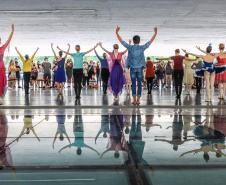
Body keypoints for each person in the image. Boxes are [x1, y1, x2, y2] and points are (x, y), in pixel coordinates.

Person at [117, 26, 158, 105]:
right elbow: (150, 41)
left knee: (133, 84)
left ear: (133, 41)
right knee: (139, 84)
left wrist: (117, 33)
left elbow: (121, 41)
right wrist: (155, 33)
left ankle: (134, 100)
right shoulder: (142, 48)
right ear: (139, 41)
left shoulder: (130, 47)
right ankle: (138, 100)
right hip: (139, 69)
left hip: (132, 68)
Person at [0, 24, 14, 105]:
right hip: (1, 67)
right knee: (1, 82)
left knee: (1, 82)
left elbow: (8, 40)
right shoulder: (2, 48)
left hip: (1, 67)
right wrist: (12, 31)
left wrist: (12, 32)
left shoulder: (2, 48)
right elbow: (8, 41)